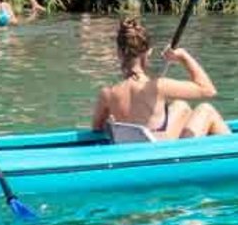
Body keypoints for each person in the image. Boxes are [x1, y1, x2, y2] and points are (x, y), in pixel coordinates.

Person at [91, 15, 230, 141]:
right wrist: (183, 57)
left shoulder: (107, 94)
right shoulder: (158, 86)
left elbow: (97, 129)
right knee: (206, 109)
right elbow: (208, 90)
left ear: (119, 53)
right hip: (163, 156)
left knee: (181, 106)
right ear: (148, 52)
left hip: (132, 153)